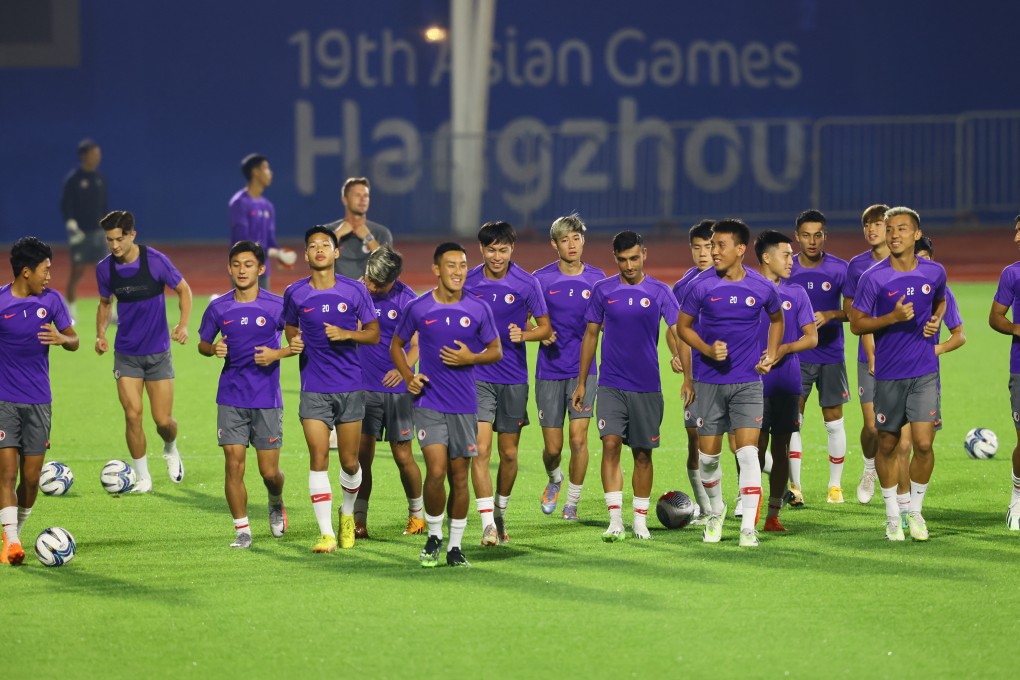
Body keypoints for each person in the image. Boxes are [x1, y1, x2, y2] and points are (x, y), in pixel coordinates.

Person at [391, 242, 502, 567]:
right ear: (437, 270)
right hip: (429, 402)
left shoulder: (478, 309)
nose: (458, 271)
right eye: (451, 265)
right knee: (436, 470)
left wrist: (472, 357)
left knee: (459, 475)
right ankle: (434, 537)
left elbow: (495, 350)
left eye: (463, 265)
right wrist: (408, 376)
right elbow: (397, 346)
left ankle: (455, 547)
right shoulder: (419, 307)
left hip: (465, 404)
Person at [677, 219, 783, 547]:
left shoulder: (762, 287)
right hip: (709, 384)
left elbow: (777, 319)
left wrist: (772, 352)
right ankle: (717, 510)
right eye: (711, 245)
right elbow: (683, 327)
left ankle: (748, 526)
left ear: (740, 249)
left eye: (720, 245)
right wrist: (707, 349)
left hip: (748, 383)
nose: (713, 251)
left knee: (748, 454)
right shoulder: (700, 286)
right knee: (708, 459)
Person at [572, 230, 680, 542]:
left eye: (634, 258)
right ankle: (615, 520)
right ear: (615, 258)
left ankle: (640, 520)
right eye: (622, 259)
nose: (629, 265)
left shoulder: (660, 291)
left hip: (647, 386)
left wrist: (678, 359)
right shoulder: (603, 290)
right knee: (610, 444)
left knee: (643, 454)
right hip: (610, 383)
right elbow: (591, 335)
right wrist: (582, 383)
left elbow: (676, 329)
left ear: (644, 253)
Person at [198, 241, 304, 548]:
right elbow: (203, 344)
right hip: (231, 397)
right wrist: (212, 349)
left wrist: (277, 354)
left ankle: (275, 500)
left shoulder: (276, 305)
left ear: (260, 269)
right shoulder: (219, 307)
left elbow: (298, 343)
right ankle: (242, 530)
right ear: (229, 269)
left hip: (266, 400)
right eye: (236, 265)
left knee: (269, 472)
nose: (242, 270)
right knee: (233, 464)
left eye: (248, 265)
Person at [849, 207, 946, 542]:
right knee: (887, 444)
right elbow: (857, 324)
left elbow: (941, 299)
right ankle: (892, 515)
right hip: (888, 375)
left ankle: (915, 513)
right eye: (889, 229)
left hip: (924, 372)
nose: (893, 235)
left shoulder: (934, 272)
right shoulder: (872, 277)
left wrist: (935, 319)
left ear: (916, 234)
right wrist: (890, 318)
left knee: (922, 443)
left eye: (901, 229)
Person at [283, 226, 380, 553]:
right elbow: (290, 327)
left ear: (336, 252)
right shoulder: (295, 292)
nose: (320, 250)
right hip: (313, 389)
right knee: (319, 456)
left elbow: (373, 333)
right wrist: (293, 341)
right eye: (313, 246)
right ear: (307, 254)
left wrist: (346, 334)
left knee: (351, 463)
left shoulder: (355, 291)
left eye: (326, 245)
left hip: (350, 387)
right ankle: (326, 533)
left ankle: (347, 515)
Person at [466, 220, 551, 545]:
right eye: (491, 249)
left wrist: (525, 335)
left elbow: (544, 328)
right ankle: (487, 522)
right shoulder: (470, 281)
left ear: (512, 249)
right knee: (481, 450)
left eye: (502, 249)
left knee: (510, 454)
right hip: (478, 377)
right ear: (482, 249)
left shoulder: (526, 284)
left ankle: (500, 512)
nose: (497, 256)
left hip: (513, 378)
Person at [95, 210, 191, 492]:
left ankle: (170, 447)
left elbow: (183, 290)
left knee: (163, 421)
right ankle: (143, 477)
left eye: (119, 239)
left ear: (132, 235)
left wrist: (182, 325)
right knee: (133, 415)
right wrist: (100, 334)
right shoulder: (105, 269)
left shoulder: (155, 261)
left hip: (158, 354)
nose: (114, 246)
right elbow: (104, 303)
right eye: (109, 240)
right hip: (126, 355)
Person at [0, 237, 79, 565]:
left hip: (39, 402)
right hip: (4, 402)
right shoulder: (1, 303)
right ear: (26, 272)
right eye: (45, 270)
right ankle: (12, 542)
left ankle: (13, 530)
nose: (49, 276)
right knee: (6, 473)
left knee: (31, 479)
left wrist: (62, 338)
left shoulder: (54, 301)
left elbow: (74, 341)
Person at [531, 213, 606, 520]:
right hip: (548, 371)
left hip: (583, 373)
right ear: (554, 244)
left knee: (578, 439)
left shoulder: (598, 278)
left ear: (583, 240)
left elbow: (605, 323)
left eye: (576, 238)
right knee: (552, 448)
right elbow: (521, 316)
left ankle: (572, 503)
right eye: (565, 239)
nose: (572, 245)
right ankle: (554, 479)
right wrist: (539, 332)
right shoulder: (540, 279)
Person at [353, 246, 425, 538]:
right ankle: (359, 520)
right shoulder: (356, 292)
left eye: (378, 284)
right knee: (361, 457)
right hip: (362, 387)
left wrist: (404, 369)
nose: (371, 286)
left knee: (403, 455)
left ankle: (417, 516)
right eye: (370, 278)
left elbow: (418, 344)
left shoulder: (409, 301)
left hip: (397, 392)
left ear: (394, 280)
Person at [753, 231, 817, 532]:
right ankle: (750, 507)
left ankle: (772, 515)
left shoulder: (797, 294)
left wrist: (785, 348)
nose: (792, 260)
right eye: (786, 254)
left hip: (787, 382)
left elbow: (812, 337)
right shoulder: (747, 290)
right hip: (753, 382)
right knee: (751, 449)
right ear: (767, 257)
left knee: (780, 449)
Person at [788, 209, 850, 505]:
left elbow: (854, 312)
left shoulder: (840, 269)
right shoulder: (787, 269)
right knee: (792, 420)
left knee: (833, 420)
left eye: (817, 235)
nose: (812, 241)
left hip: (830, 354)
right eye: (806, 235)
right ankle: (795, 487)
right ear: (796, 237)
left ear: (825, 236)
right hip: (796, 356)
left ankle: (835, 487)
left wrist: (831, 314)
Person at [842, 204, 894, 505]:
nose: (871, 229)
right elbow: (851, 311)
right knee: (872, 425)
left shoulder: (904, 264)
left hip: (901, 354)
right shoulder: (857, 266)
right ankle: (870, 468)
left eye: (877, 224)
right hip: (867, 355)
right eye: (867, 224)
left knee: (898, 426)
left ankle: (900, 489)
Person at [667, 219, 715, 524]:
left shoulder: (737, 279)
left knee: (739, 442)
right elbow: (673, 330)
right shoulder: (682, 286)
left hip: (730, 373)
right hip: (696, 376)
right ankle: (706, 508)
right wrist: (676, 355)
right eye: (696, 247)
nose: (702, 253)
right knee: (695, 440)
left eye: (708, 246)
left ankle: (742, 498)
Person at [988, 216, 1020, 530]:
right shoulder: (1012, 274)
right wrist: (1014, 327)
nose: (1016, 237)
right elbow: (995, 317)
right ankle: (1018, 498)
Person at [228, 154, 297, 291]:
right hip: (243, 269)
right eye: (266, 168)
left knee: (263, 311)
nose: (270, 173)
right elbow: (241, 242)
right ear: (255, 172)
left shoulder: (268, 206)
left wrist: (282, 254)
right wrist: (274, 253)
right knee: (243, 311)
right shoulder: (239, 203)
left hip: (263, 269)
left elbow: (270, 241)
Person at [61, 138, 109, 323]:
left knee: (107, 274)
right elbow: (66, 205)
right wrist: (71, 224)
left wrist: (108, 230)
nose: (97, 157)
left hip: (99, 234)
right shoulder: (74, 180)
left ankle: (111, 314)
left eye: (98, 154)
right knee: (77, 272)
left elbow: (104, 207)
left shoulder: (100, 179)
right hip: (80, 234)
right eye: (93, 154)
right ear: (83, 156)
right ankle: (71, 314)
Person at [325, 177, 393, 280]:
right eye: (357, 195)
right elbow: (316, 261)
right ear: (345, 199)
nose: (363, 199)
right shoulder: (327, 231)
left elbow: (388, 268)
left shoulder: (381, 233)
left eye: (366, 195)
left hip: (369, 293)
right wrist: (337, 235)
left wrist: (369, 238)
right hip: (337, 292)